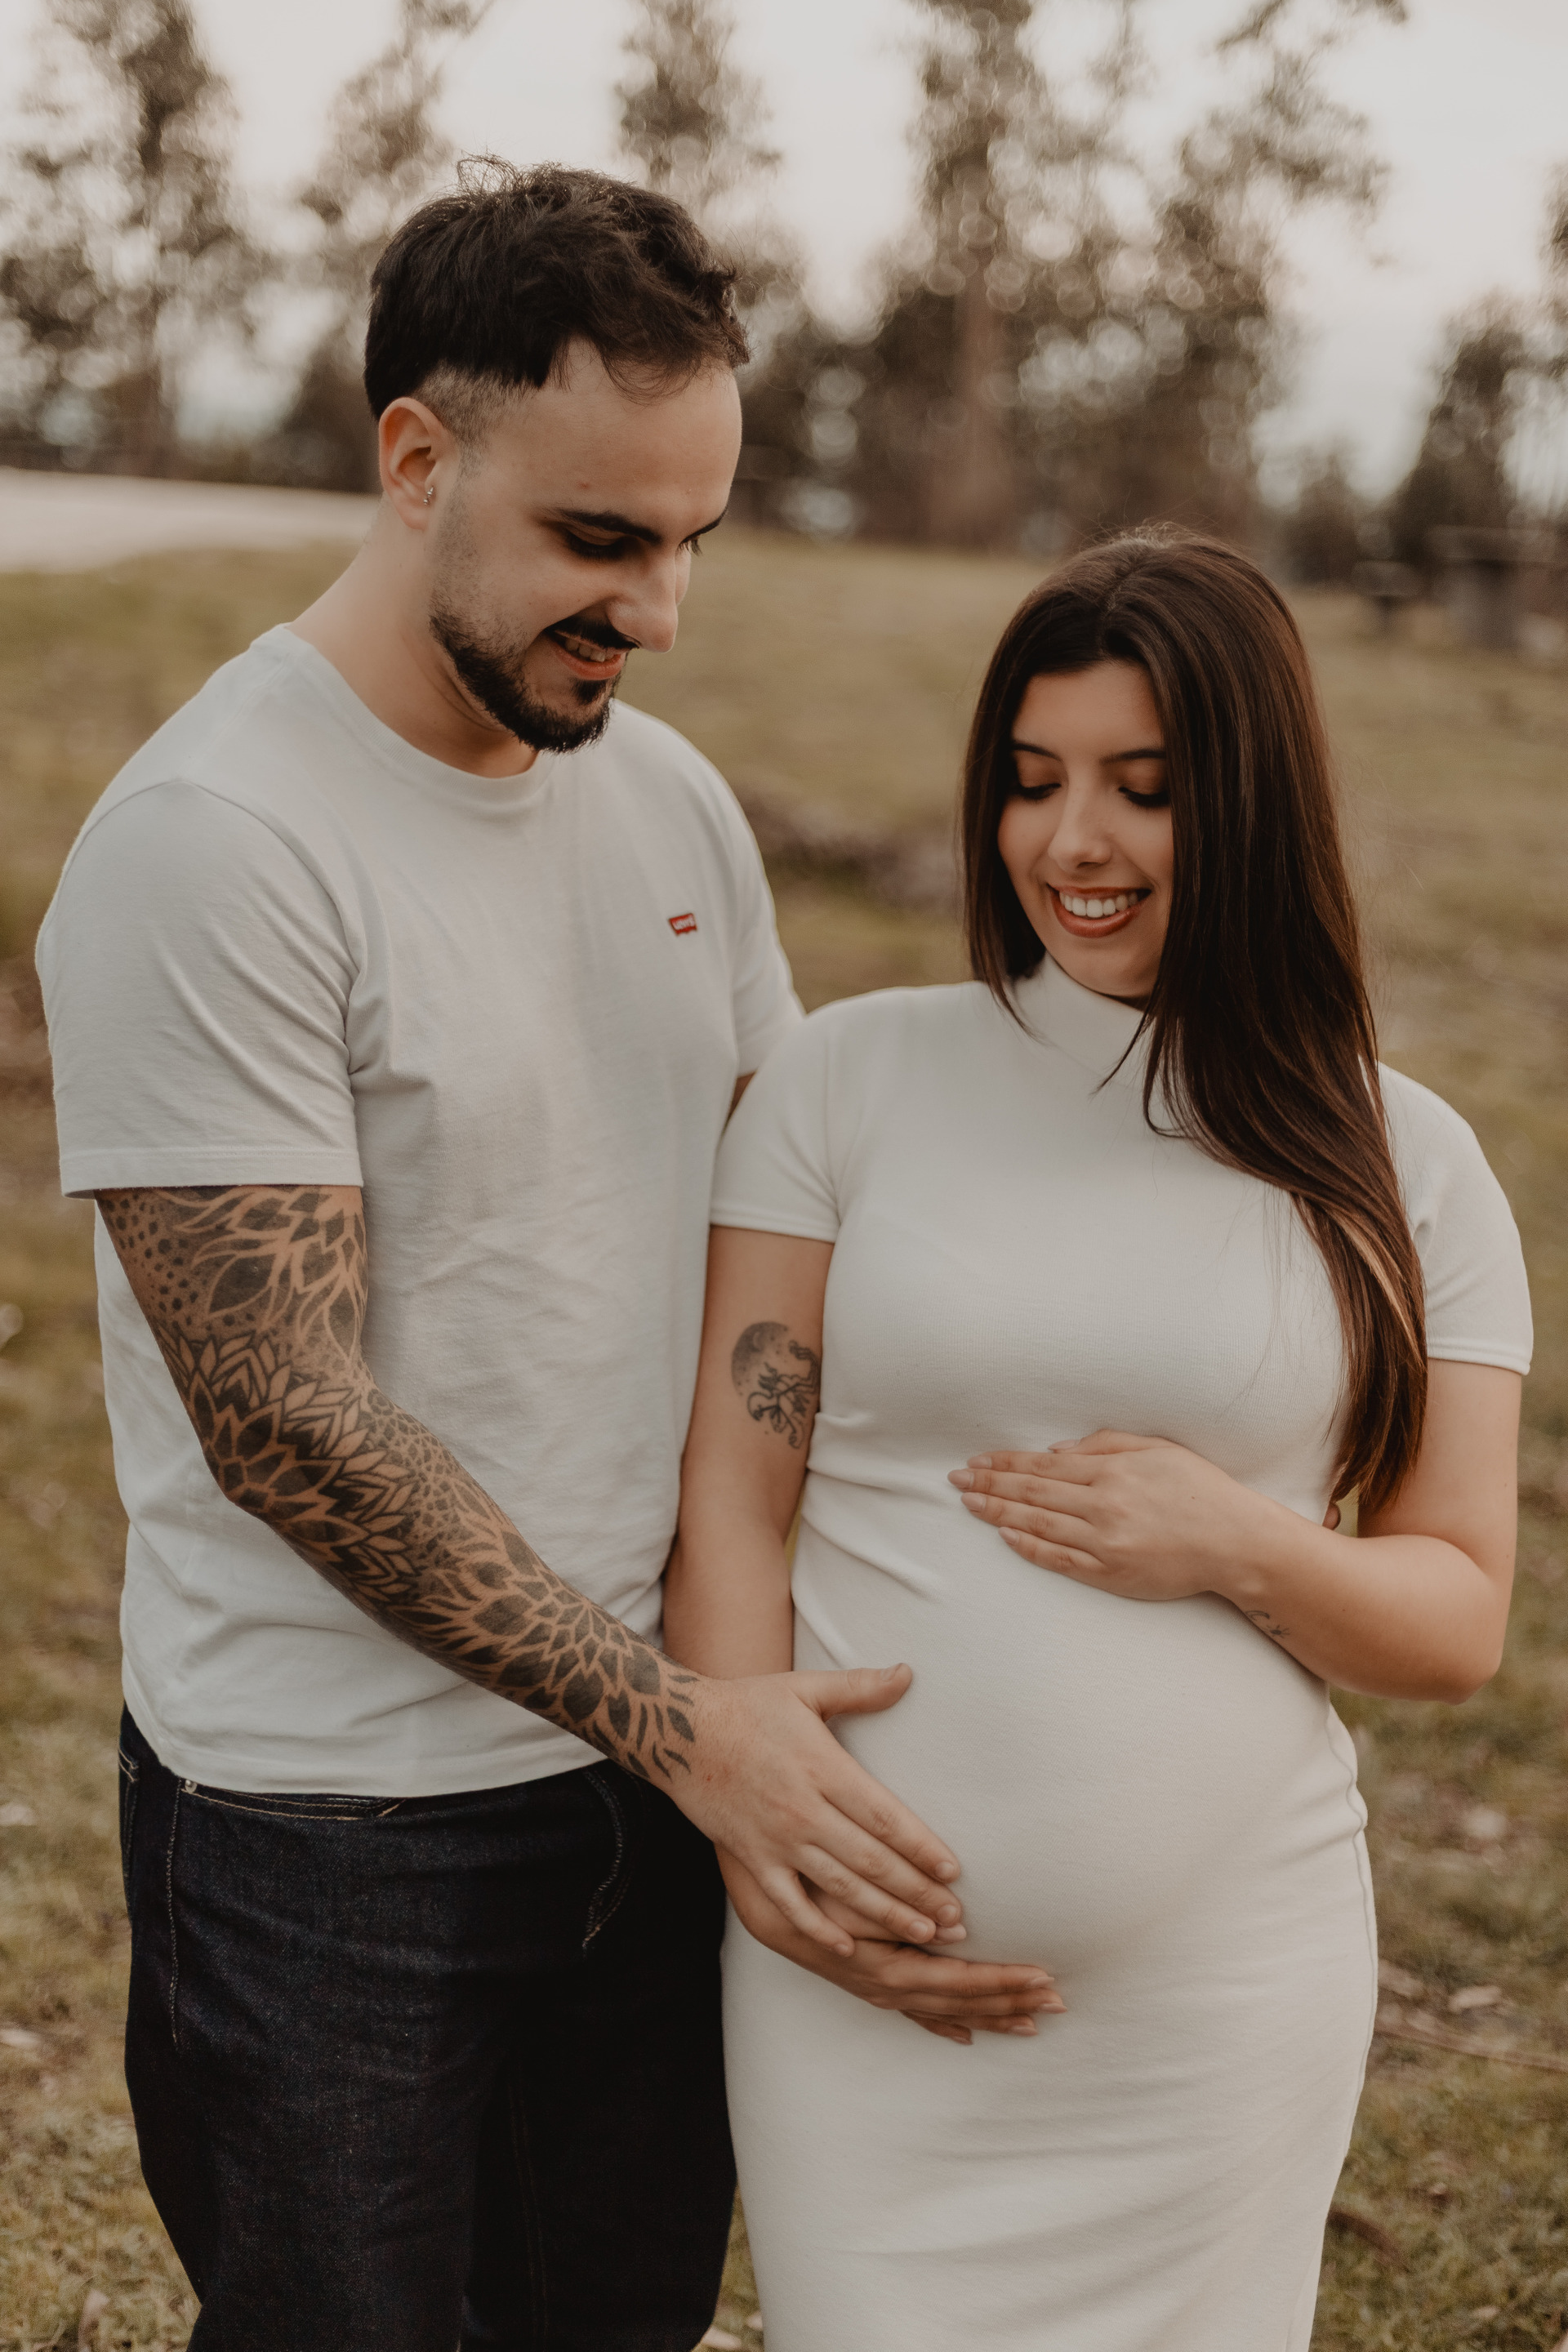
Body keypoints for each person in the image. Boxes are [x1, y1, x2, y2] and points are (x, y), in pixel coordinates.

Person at [34, 161, 1031, 2351]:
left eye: (691, 540)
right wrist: (691, 1724)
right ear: (417, 458)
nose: (658, 608)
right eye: (600, 539)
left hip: (660, 1801)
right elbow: (286, 1422)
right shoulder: (217, 847)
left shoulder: (664, 803)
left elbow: (787, 1250)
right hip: (336, 1844)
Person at [666, 532, 1531, 2352]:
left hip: (1219, 2004)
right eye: (1033, 782)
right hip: (857, 1983)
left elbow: (1455, 1621)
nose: (1075, 843)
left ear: (1253, 802)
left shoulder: (1407, 1163)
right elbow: (738, 1491)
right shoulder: (851, 1080)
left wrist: (1241, 1545)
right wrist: (751, 1809)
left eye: (1144, 791)